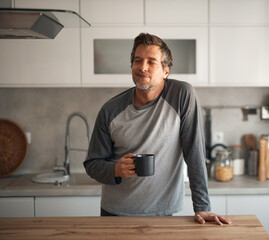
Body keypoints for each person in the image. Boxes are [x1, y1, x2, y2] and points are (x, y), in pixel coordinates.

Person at [84, 33, 231, 225]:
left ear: (166, 71)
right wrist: (115, 170)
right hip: (116, 214)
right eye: (138, 61)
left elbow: (194, 152)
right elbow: (92, 164)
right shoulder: (110, 110)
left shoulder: (182, 95)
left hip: (164, 213)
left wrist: (202, 207)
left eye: (151, 62)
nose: (142, 67)